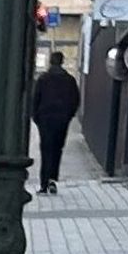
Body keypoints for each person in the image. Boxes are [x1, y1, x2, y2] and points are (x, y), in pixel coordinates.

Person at [30, 50, 82, 194]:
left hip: (46, 119)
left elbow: (35, 99)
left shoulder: (43, 79)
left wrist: (36, 117)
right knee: (57, 150)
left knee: (46, 150)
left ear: (50, 62)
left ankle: (43, 183)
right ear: (62, 62)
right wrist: (68, 115)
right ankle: (53, 180)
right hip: (62, 120)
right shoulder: (69, 80)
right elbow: (75, 100)